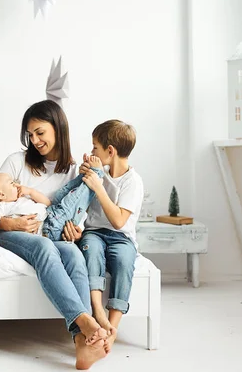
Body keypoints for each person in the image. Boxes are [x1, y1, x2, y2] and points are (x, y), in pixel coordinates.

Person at [0, 100, 108, 370]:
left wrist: (76, 231)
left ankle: (82, 346)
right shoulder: (17, 162)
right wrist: (10, 225)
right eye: (30, 134)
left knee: (73, 253)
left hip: (49, 234)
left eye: (40, 132)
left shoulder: (74, 171)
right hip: (10, 233)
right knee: (43, 247)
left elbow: (76, 214)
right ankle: (83, 320)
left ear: (58, 128)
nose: (35, 140)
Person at [76, 119, 144, 354]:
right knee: (91, 250)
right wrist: (84, 176)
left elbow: (118, 221)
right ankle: (97, 311)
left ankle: (112, 329)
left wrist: (99, 187)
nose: (92, 151)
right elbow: (79, 203)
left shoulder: (133, 182)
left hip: (121, 237)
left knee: (125, 261)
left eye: (95, 147)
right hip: (95, 232)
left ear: (110, 151)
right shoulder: (98, 174)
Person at [0, 159, 105, 244]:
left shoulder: (20, 198)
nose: (16, 184)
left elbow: (47, 203)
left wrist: (30, 192)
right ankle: (96, 175)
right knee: (72, 202)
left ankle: (85, 176)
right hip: (49, 228)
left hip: (51, 212)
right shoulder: (1, 207)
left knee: (63, 193)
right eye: (12, 183)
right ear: (1, 194)